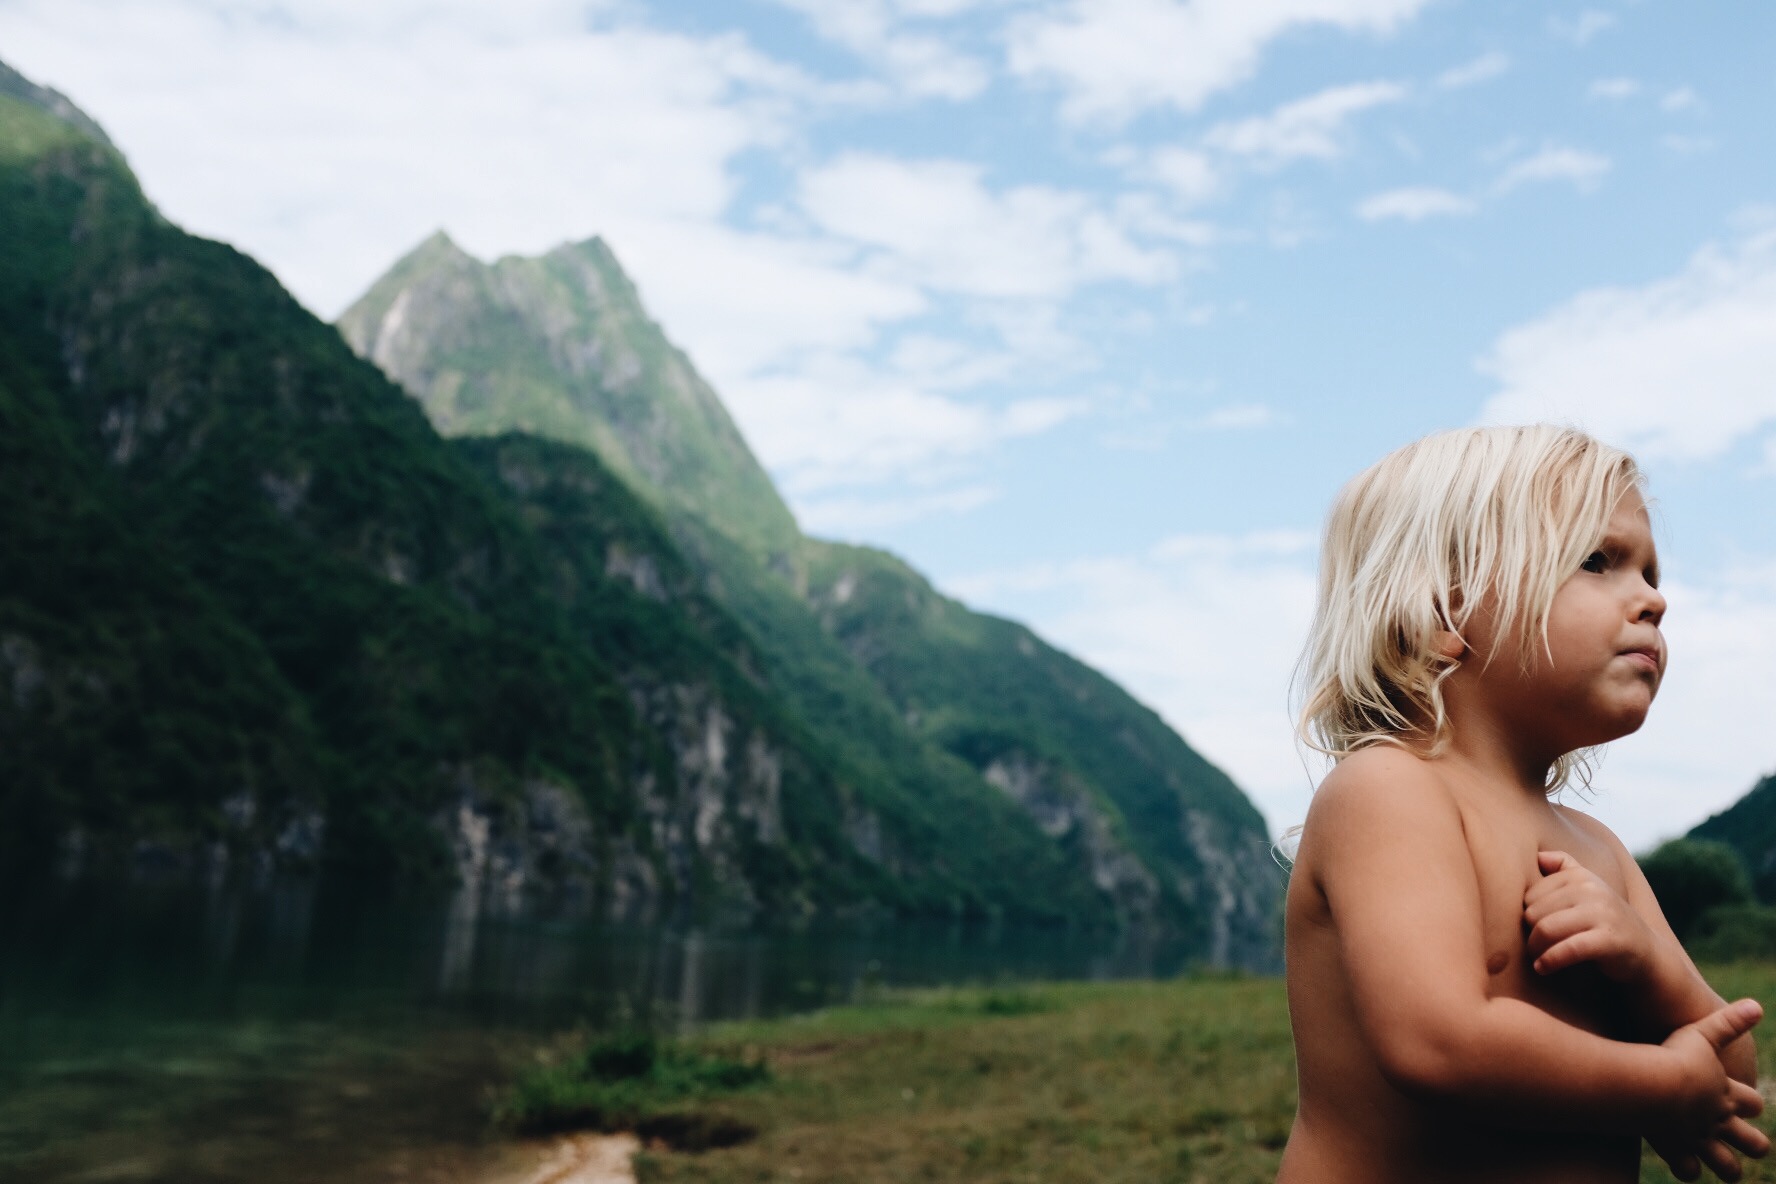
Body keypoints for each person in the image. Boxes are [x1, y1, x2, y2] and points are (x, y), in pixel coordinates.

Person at [1276, 425, 1768, 1184]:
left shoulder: (1598, 849)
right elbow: (1437, 1042)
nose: (1654, 599)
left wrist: (1646, 962)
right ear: (1440, 609)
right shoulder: (1388, 791)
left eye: (1649, 570)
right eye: (1597, 561)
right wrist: (1658, 1087)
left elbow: (1729, 1076)